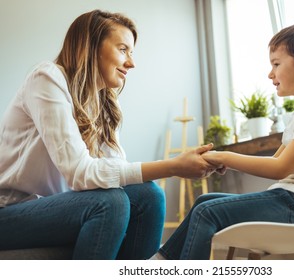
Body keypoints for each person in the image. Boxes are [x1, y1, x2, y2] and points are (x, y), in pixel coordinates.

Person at [0, 9, 217, 260]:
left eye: (132, 53)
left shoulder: (103, 102)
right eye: (123, 49)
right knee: (110, 202)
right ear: (91, 46)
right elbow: (80, 172)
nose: (131, 63)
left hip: (53, 206)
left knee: (149, 195)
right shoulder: (47, 78)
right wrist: (171, 167)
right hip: (9, 211)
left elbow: (115, 170)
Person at [152, 21, 294, 260]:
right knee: (205, 201)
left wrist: (224, 156)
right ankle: (159, 263)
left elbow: (280, 168)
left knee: (208, 212)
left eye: (276, 64)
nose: (270, 73)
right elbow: (277, 163)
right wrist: (224, 158)